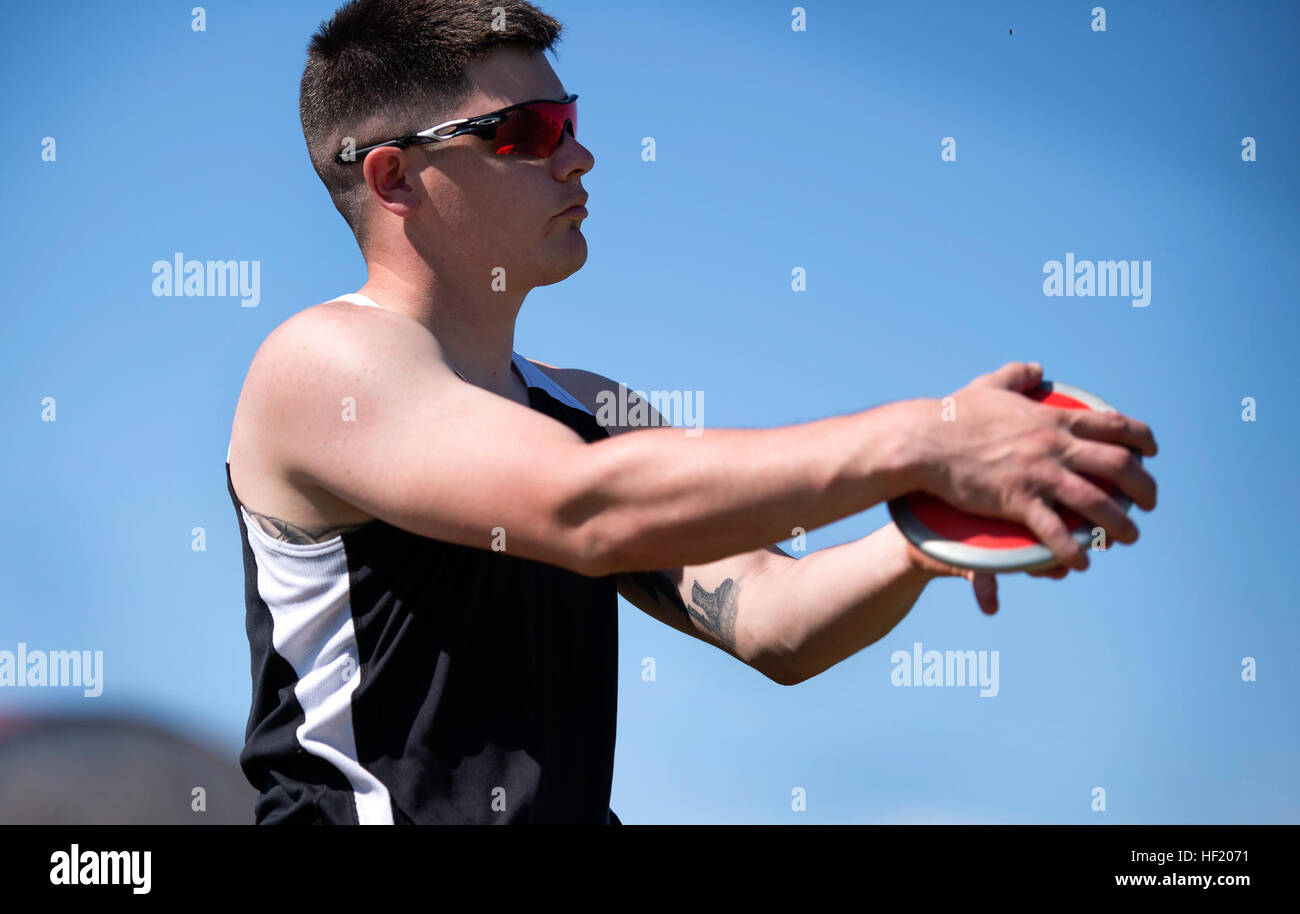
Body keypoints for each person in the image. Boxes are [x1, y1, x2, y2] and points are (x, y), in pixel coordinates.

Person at [225, 0, 1158, 824]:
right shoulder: (319, 366)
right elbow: (583, 510)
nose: (579, 154)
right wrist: (930, 438)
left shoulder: (598, 409)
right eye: (529, 131)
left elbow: (774, 620)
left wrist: (927, 535)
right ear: (393, 179)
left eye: (572, 119)